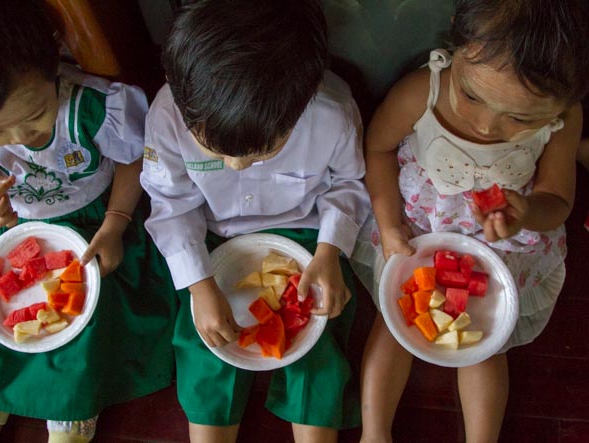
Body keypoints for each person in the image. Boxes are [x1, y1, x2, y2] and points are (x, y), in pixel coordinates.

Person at [350, 0, 589, 442]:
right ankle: (375, 432)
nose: (485, 126)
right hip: (420, 223)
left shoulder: (564, 120)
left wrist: (526, 214)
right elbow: (378, 149)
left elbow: (557, 200)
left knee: (483, 340)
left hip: (497, 241)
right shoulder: (423, 90)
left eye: (519, 118)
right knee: (396, 317)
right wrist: (389, 225)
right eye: (473, 96)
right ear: (457, 46)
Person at [140, 0, 371, 441]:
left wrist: (329, 252)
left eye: (262, 151)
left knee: (317, 342)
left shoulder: (333, 113)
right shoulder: (168, 115)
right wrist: (199, 286)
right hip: (212, 236)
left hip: (306, 234)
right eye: (215, 151)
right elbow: (171, 204)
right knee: (206, 345)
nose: (236, 166)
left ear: (303, 101)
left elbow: (348, 184)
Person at [0, 1, 177, 442]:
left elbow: (133, 161)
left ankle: (72, 406)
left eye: (35, 116)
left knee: (82, 315)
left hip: (93, 220)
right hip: (13, 222)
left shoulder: (96, 106)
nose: (20, 137)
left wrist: (115, 223)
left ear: (53, 61)